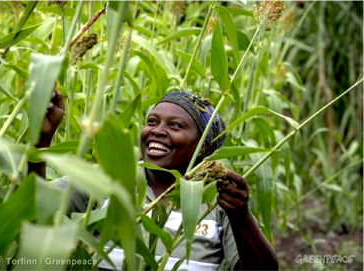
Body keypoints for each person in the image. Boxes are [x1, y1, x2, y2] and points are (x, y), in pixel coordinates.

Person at [29, 91, 279, 271]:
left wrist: (241, 216)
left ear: (202, 146)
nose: (157, 131)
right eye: (152, 121)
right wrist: (40, 140)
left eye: (175, 125)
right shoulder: (108, 177)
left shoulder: (217, 200)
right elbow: (33, 209)